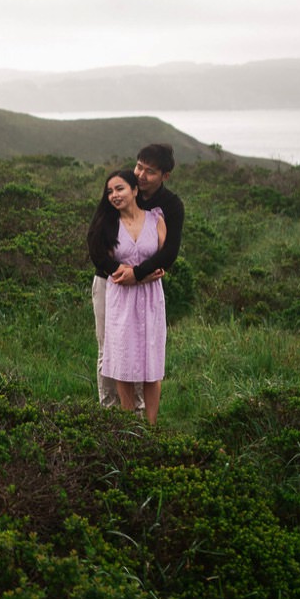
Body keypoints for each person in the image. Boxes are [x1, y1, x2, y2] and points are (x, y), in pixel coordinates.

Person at [86, 144, 184, 424]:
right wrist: (120, 272)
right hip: (110, 284)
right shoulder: (120, 188)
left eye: (149, 171)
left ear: (164, 176)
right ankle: (111, 415)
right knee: (111, 349)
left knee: (143, 349)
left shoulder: (169, 206)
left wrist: (139, 273)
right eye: (139, 166)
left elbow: (170, 251)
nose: (140, 174)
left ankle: (138, 419)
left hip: (146, 286)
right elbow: (95, 243)